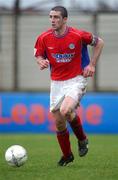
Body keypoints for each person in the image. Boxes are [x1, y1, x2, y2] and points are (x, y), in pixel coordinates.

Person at [34, 6, 104, 166]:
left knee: (66, 110)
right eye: (51, 17)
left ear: (65, 19)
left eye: (57, 17)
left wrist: (92, 65)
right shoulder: (44, 37)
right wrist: (40, 61)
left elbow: (99, 42)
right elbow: (38, 53)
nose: (53, 20)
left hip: (76, 79)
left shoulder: (78, 35)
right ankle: (67, 155)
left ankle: (81, 139)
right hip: (56, 82)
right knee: (59, 121)